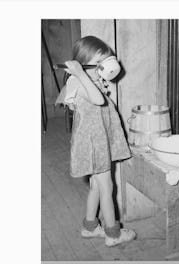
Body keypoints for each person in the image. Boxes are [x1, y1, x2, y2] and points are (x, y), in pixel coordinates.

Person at [56, 36, 136, 247]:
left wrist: (93, 78)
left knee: (96, 187)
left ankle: (90, 227)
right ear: (84, 62)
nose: (103, 67)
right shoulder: (77, 80)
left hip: (97, 140)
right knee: (107, 186)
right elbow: (98, 100)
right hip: (94, 144)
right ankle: (113, 234)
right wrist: (82, 75)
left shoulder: (87, 80)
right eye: (99, 62)